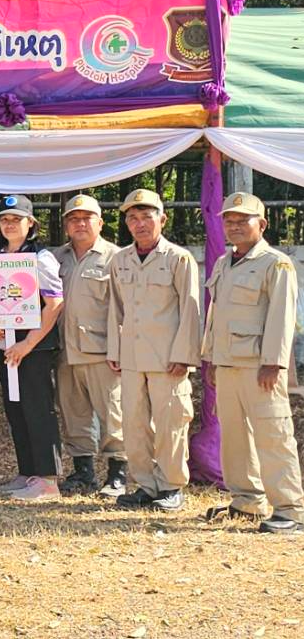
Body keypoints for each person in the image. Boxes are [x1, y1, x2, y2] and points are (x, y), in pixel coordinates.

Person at [202, 192, 304, 534]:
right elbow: (216, 316)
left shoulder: (275, 264)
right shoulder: (222, 263)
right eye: (228, 221)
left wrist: (274, 364)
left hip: (260, 366)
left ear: (261, 224)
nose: (234, 226)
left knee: (273, 435)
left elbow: (282, 316)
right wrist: (211, 358)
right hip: (228, 364)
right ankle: (247, 500)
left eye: (242, 220)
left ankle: (290, 508)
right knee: (234, 437)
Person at [107, 188, 202, 511]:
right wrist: (114, 350)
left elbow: (191, 309)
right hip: (132, 358)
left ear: (162, 219)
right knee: (133, 424)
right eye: (132, 218)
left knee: (170, 423)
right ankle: (146, 486)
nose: (140, 224)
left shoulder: (178, 258)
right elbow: (114, 309)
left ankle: (171, 486)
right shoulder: (120, 260)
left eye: (146, 217)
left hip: (168, 358)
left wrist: (185, 355)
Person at [0, 194, 65, 502]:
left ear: (31, 223)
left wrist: (28, 343)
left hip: (33, 349)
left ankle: (47, 480)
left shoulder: (41, 257)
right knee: (16, 409)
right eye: (4, 219)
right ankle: (27, 472)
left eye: (16, 219)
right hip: (4, 347)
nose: (9, 224)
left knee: (38, 409)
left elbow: (54, 303)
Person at [51, 194, 126, 496]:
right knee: (73, 413)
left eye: (86, 218)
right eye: (73, 219)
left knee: (113, 413)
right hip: (65, 350)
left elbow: (124, 308)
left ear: (100, 222)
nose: (80, 223)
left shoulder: (116, 258)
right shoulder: (56, 258)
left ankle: (118, 473)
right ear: (66, 225)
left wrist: (119, 349)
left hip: (102, 352)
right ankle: (83, 472)